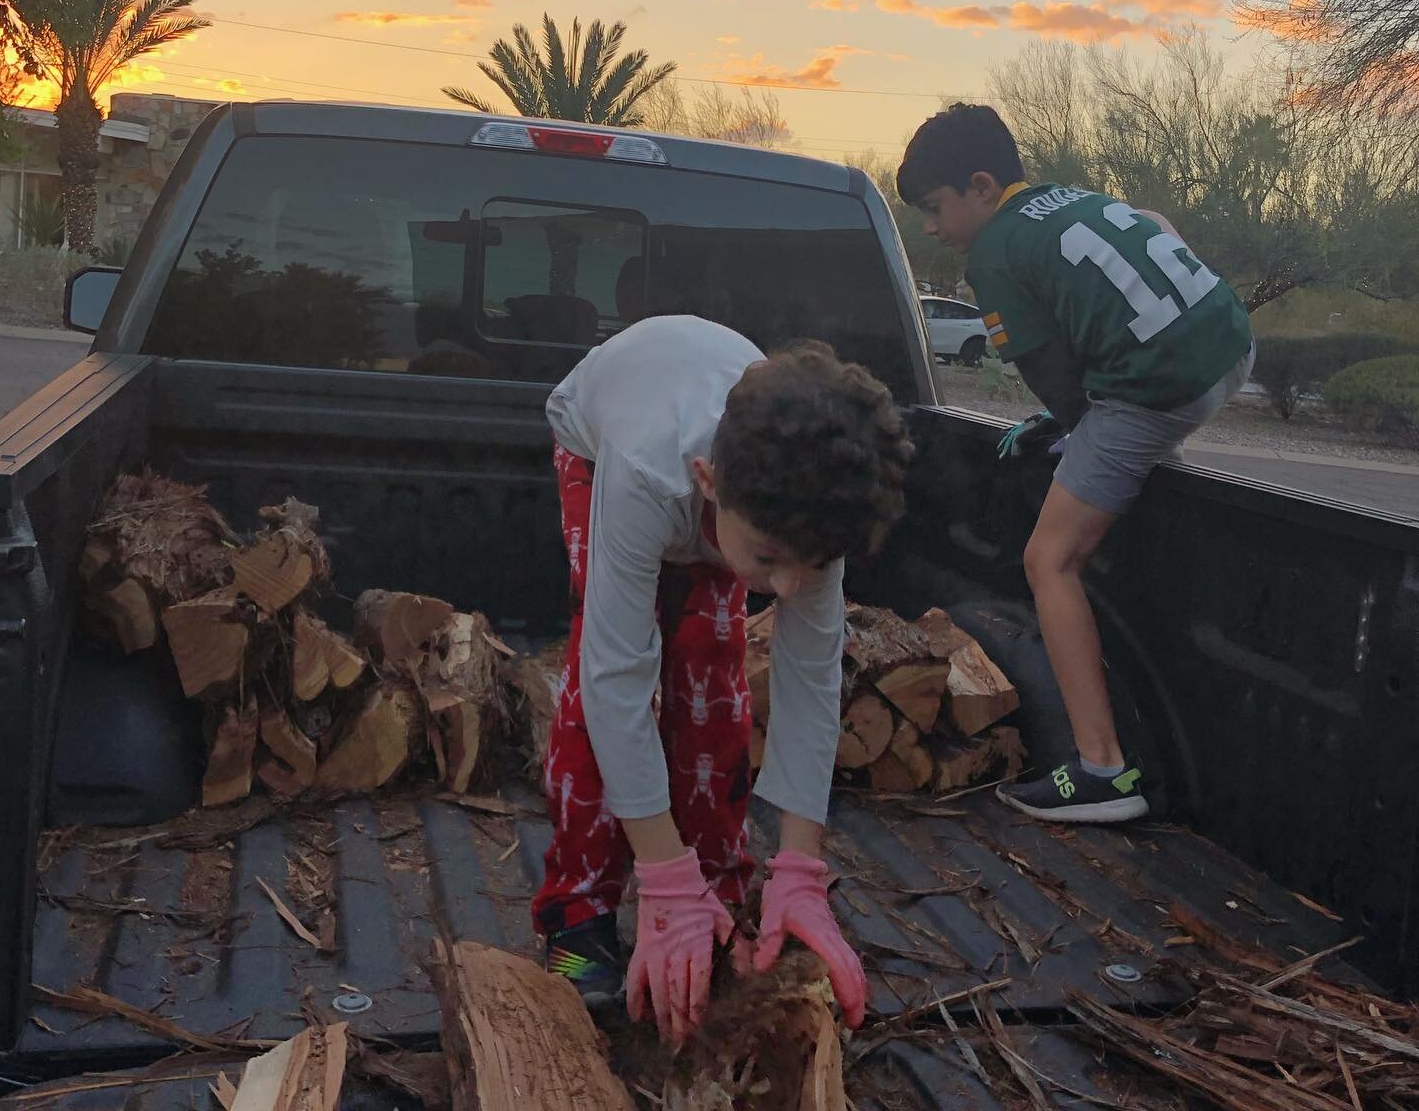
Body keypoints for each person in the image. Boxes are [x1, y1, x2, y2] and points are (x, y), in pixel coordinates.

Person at [534, 314, 912, 1044]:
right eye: (771, 560)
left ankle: (716, 889)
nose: (791, 589)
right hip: (600, 447)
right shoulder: (647, 471)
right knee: (600, 688)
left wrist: (800, 867)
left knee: (713, 682)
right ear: (710, 483)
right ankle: (577, 913)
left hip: (720, 504)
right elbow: (615, 676)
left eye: (817, 564)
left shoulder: (806, 512)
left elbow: (809, 680)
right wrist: (658, 876)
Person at [897, 104, 1253, 824]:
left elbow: (1053, 377)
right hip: (1233, 346)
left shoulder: (993, 252)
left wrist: (1078, 429)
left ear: (981, 184)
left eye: (935, 209)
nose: (932, 228)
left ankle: (1102, 773)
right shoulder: (1073, 199)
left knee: (1049, 559)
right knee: (1104, 461)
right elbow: (1153, 220)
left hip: (1160, 388)